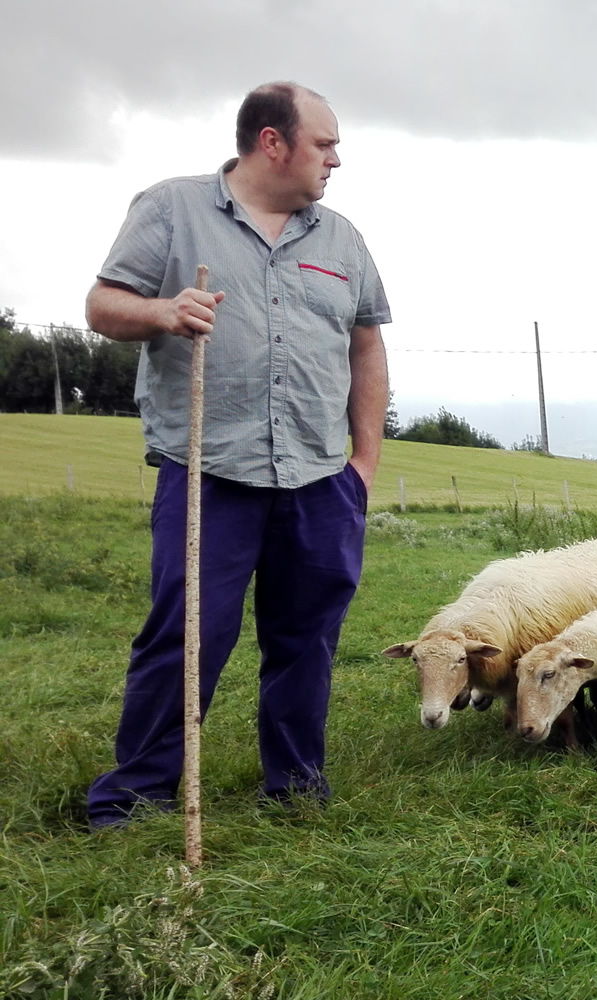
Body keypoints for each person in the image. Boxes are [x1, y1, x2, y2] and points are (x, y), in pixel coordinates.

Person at [83, 81, 391, 829]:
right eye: (325, 144)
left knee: (306, 638)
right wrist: (161, 310)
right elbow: (100, 305)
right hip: (208, 473)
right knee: (188, 634)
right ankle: (138, 796)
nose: (337, 160)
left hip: (320, 480)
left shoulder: (342, 238)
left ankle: (294, 788)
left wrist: (364, 467)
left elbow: (366, 344)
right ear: (272, 142)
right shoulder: (171, 210)